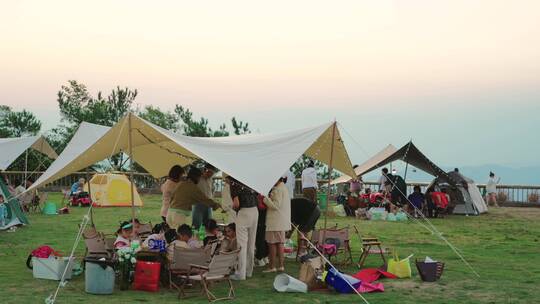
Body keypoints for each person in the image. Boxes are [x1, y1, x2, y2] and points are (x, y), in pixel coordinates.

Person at [229, 176, 259, 280]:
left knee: (242, 245)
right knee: (251, 244)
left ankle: (241, 274)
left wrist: (232, 207)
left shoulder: (233, 183)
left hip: (244, 212)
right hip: (255, 211)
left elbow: (236, 204)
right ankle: (249, 271)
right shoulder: (250, 179)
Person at [263, 176, 291, 273]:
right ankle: (281, 266)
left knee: (272, 244)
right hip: (281, 221)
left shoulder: (277, 189)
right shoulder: (284, 188)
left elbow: (276, 205)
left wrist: (265, 199)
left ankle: (272, 266)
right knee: (280, 243)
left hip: (275, 221)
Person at [193, 164, 217, 229]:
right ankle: (195, 238)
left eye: (212, 173)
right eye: (209, 172)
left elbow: (212, 191)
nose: (210, 174)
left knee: (208, 224)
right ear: (205, 170)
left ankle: (207, 238)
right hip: (198, 204)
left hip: (209, 205)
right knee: (196, 224)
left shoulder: (211, 180)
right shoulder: (197, 179)